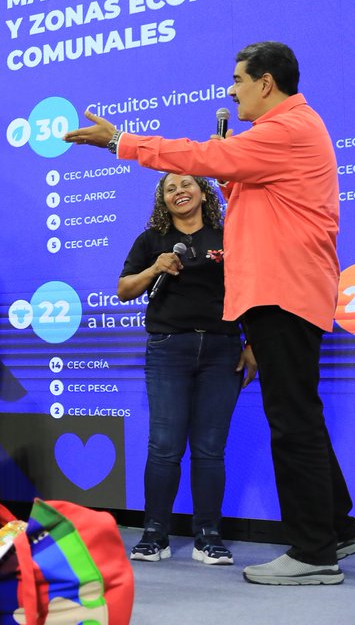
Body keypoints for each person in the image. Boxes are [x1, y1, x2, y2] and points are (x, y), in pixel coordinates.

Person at [64, 41, 355, 585]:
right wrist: (232, 171)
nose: (232, 90)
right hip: (285, 291)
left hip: (284, 292)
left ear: (266, 84)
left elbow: (205, 158)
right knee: (301, 413)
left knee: (292, 421)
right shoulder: (288, 132)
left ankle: (313, 553)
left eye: (238, 79)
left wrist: (120, 140)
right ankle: (337, 528)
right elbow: (248, 187)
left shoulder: (287, 129)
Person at [118, 173, 252, 565]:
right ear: (163, 199)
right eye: (170, 187)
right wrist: (153, 269)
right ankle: (154, 534)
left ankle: (208, 536)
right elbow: (124, 289)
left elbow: (252, 291)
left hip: (223, 350)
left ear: (203, 192)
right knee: (164, 448)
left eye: (186, 184)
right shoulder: (151, 241)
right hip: (168, 350)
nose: (180, 191)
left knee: (210, 451)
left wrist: (253, 346)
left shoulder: (228, 236)